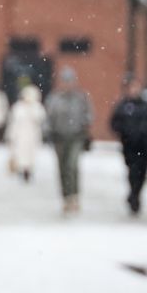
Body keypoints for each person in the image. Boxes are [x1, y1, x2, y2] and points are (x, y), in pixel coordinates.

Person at [45, 66, 94, 214]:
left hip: (76, 137)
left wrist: (85, 124)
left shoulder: (81, 97)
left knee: (72, 165)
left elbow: (89, 114)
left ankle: (74, 195)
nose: (67, 84)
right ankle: (65, 196)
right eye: (65, 81)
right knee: (62, 167)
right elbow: (48, 117)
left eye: (70, 80)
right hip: (59, 138)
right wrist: (48, 131)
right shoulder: (54, 98)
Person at [109, 77, 147, 215]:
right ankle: (134, 194)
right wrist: (125, 131)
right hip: (129, 145)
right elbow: (114, 123)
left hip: (144, 145)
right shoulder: (123, 106)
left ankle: (135, 193)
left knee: (143, 172)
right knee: (132, 171)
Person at [6, 85, 45, 182]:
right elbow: (14, 122)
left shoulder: (37, 107)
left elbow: (40, 119)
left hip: (32, 136)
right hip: (20, 136)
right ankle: (21, 170)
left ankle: (28, 171)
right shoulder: (18, 107)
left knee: (31, 155)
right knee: (20, 154)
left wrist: (31, 108)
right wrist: (11, 135)